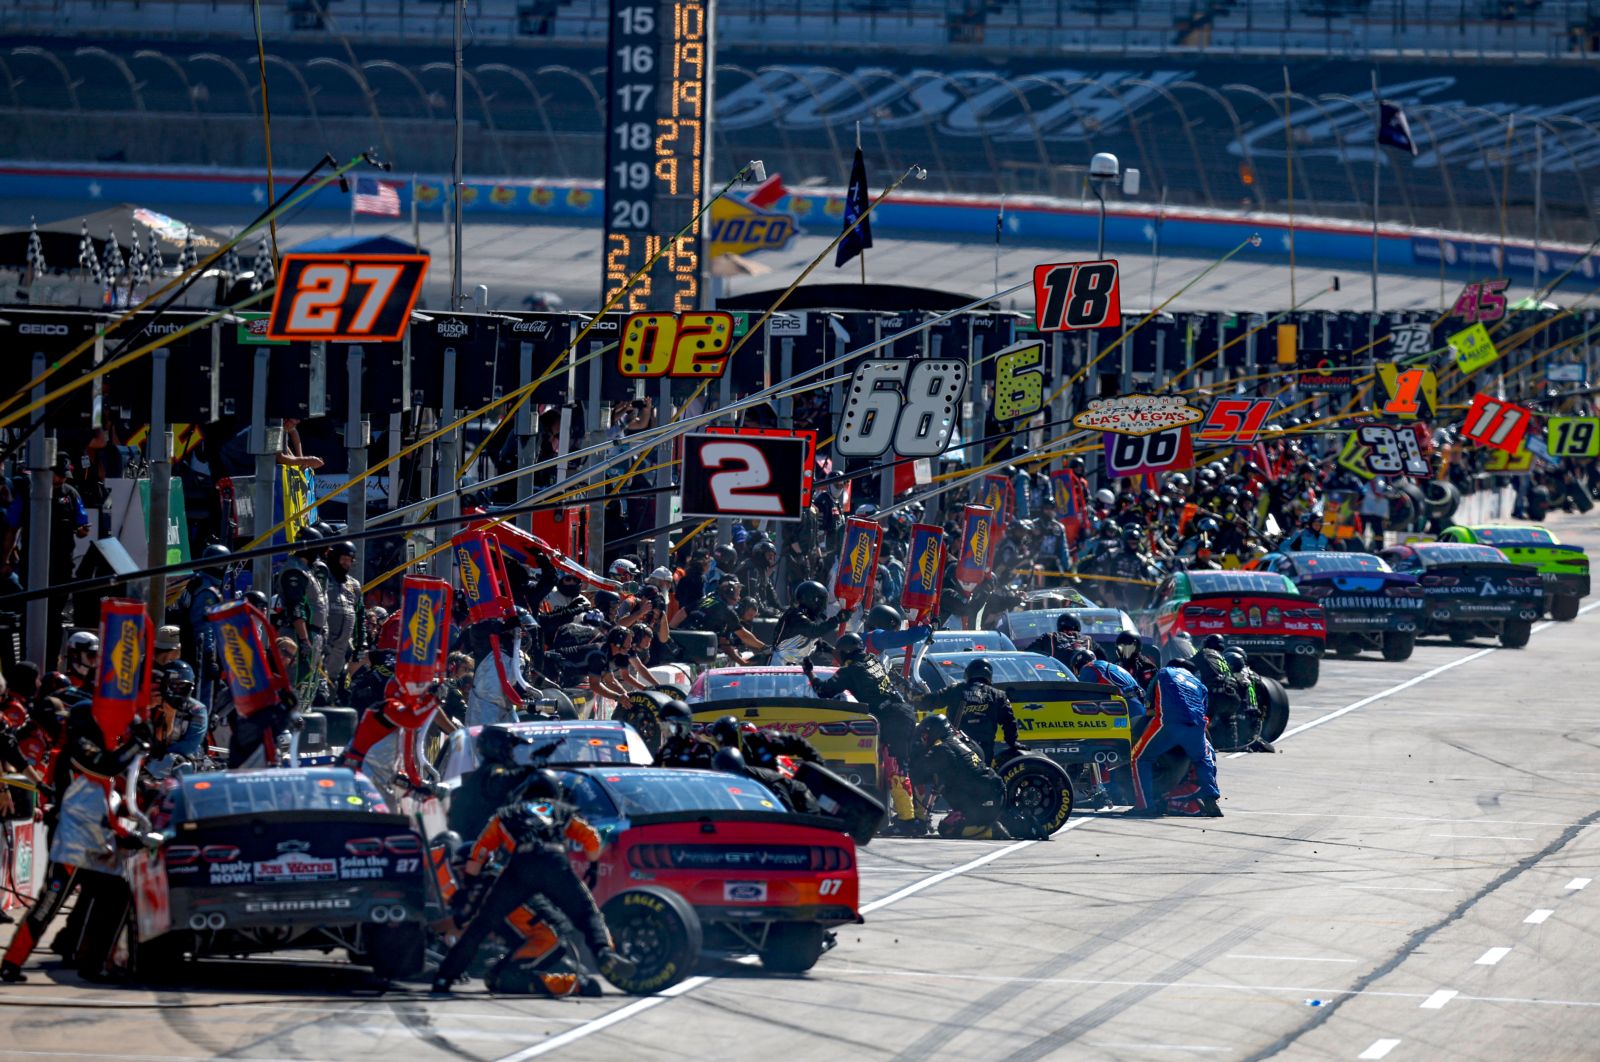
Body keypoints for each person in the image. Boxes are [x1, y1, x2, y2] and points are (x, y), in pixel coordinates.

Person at [432, 770, 632, 994]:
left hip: (520, 865)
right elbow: (591, 838)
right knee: (588, 914)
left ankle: (444, 979)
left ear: (523, 794)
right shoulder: (562, 810)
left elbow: (479, 852)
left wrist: (470, 883)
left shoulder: (507, 814)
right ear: (554, 793)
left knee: (480, 926)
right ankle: (604, 952)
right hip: (555, 862)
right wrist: (593, 863)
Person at [1128, 663, 1221, 818]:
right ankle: (1211, 799)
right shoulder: (1199, 684)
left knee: (1138, 758)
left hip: (1169, 723)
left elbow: (1148, 708)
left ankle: (1144, 806)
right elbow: (1203, 710)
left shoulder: (1164, 673)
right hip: (1196, 726)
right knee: (1202, 759)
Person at [908, 714, 1008, 840]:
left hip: (986, 799)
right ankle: (983, 822)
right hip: (992, 793)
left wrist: (912, 756)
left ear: (934, 732)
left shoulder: (943, 749)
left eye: (925, 734)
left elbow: (916, 774)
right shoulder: (958, 741)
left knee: (947, 830)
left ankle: (992, 831)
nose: (923, 738)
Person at [920, 657, 1019, 765]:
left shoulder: (955, 689)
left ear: (968, 674)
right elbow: (1010, 722)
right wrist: (1012, 742)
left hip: (957, 745)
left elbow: (930, 701)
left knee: (952, 777)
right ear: (989, 675)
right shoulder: (998, 695)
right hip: (984, 748)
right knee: (982, 776)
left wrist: (912, 698)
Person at [467, 610, 539, 726]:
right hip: (481, 711)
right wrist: (504, 626)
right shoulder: (488, 647)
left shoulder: (521, 658)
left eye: (525, 629)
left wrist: (531, 702)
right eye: (521, 628)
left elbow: (522, 689)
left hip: (507, 712)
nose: (524, 633)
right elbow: (476, 630)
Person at [323, 540, 367, 695]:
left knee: (334, 684)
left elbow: (361, 616)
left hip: (342, 647)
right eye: (343, 559)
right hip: (323, 642)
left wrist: (361, 643)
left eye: (349, 560)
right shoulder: (321, 578)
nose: (346, 564)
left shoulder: (353, 585)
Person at [803, 633, 895, 707]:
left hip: (886, 717)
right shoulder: (873, 659)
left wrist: (809, 672)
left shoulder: (848, 671)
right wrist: (830, 650)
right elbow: (853, 664)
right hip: (899, 706)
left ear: (845, 652)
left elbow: (822, 691)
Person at [767, 581, 844, 665]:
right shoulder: (794, 615)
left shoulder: (809, 618)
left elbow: (816, 644)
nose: (823, 605)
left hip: (794, 666)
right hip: (778, 665)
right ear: (813, 600)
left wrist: (834, 652)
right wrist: (837, 619)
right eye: (821, 600)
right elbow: (814, 631)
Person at [655, 699, 716, 768]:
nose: (663, 730)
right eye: (662, 726)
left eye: (665, 726)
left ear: (680, 726)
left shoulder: (702, 749)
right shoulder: (665, 750)